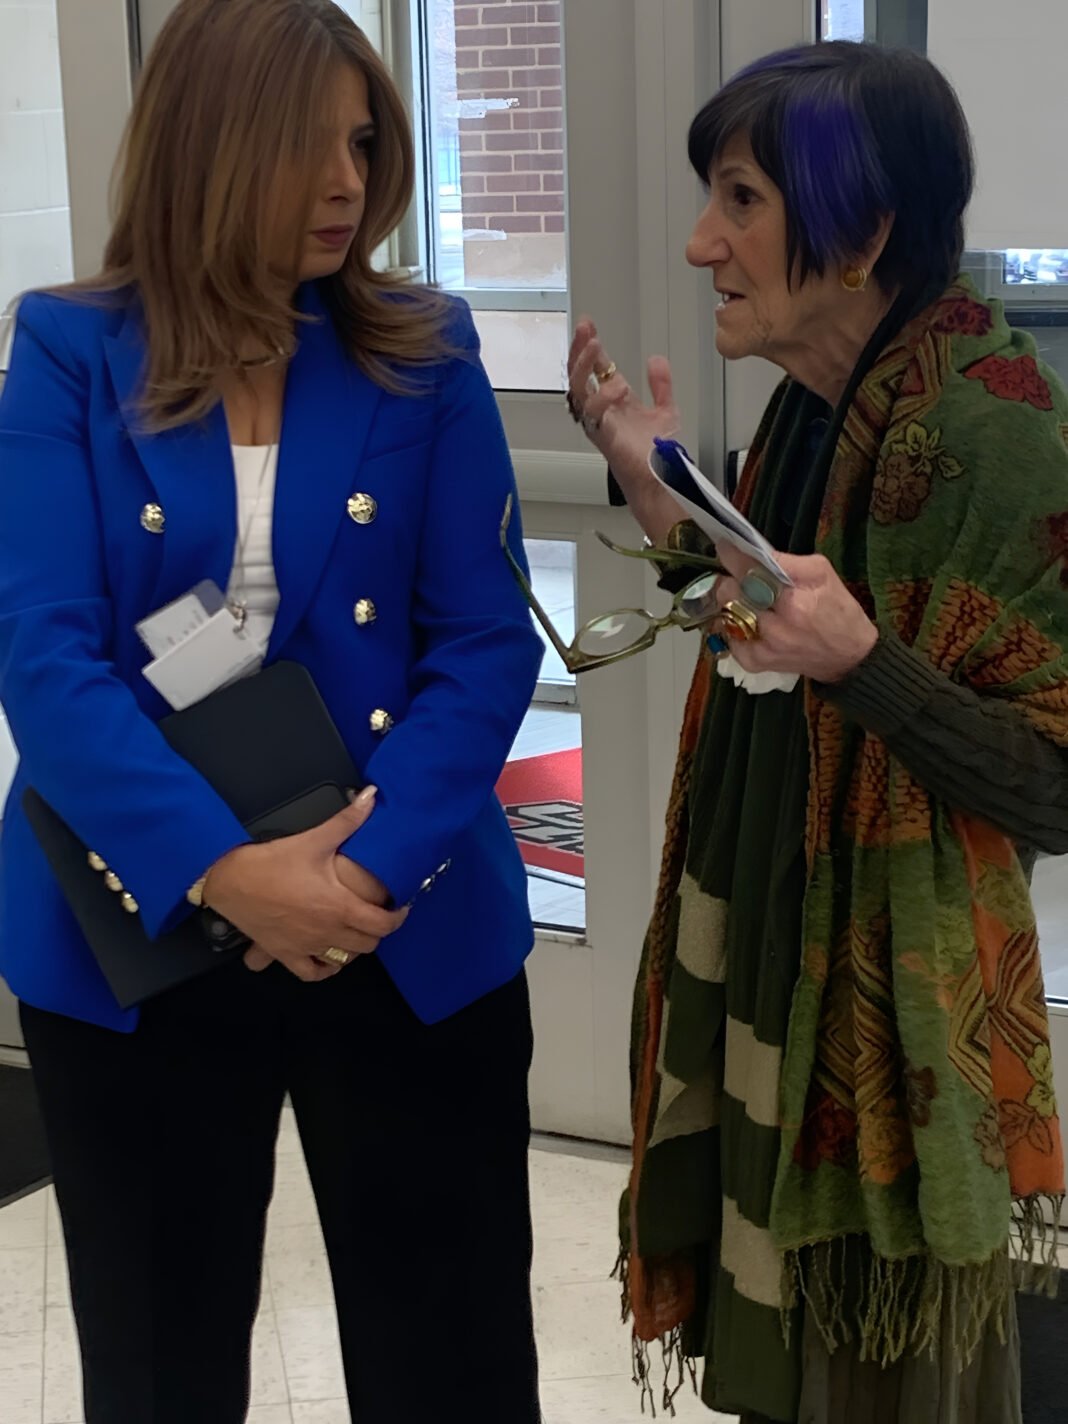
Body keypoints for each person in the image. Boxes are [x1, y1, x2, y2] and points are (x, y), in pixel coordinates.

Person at [0, 2, 544, 1421]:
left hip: (400, 911)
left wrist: (359, 876)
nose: (347, 182)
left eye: (362, 144)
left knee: (454, 1364)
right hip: (138, 922)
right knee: (160, 1366)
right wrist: (226, 872)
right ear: (207, 143)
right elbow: (45, 658)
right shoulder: (68, 348)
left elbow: (483, 642)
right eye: (307, 147)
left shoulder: (422, 346)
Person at [567, 41, 1068, 1424]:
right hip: (783, 946)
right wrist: (667, 507)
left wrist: (868, 664)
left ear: (863, 235)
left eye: (740, 200)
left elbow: (1053, 785)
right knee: (796, 1374)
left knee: (888, 1387)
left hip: (894, 1018)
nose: (699, 243)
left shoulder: (992, 428)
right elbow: (771, 636)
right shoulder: (816, 406)